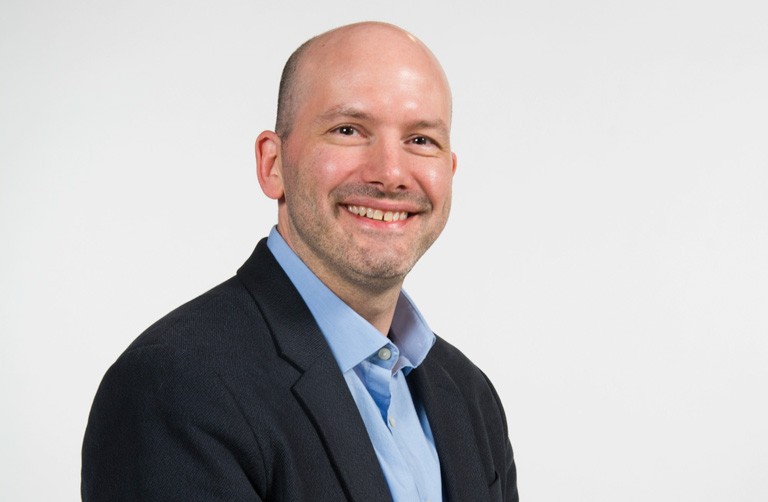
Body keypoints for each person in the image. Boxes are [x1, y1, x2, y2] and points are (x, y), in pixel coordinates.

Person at [82, 21, 518, 501]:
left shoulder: (470, 397)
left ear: (449, 172)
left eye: (421, 140)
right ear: (273, 164)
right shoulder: (173, 388)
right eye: (349, 130)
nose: (392, 174)